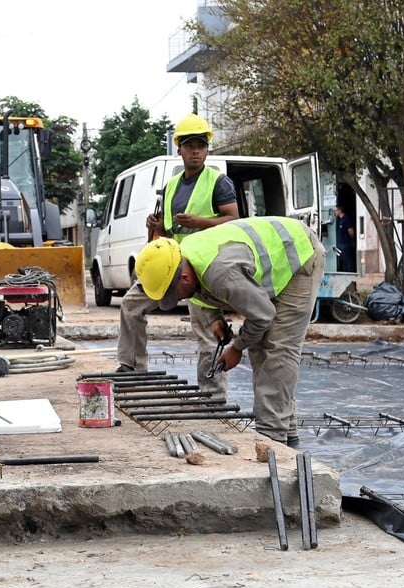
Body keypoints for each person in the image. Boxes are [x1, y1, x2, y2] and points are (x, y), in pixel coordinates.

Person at [134, 217, 326, 447]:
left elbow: (263, 315)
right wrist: (215, 318)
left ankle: (272, 438)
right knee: (259, 346)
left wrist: (236, 348)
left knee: (278, 350)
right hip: (275, 257)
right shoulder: (181, 258)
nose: (177, 300)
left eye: (174, 294)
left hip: (300, 254)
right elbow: (199, 290)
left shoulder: (221, 273)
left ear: (183, 277)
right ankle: (287, 432)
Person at [115, 114, 240, 400]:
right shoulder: (171, 186)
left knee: (208, 329)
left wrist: (200, 222)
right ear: (179, 149)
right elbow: (169, 230)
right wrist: (156, 227)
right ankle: (132, 366)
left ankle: (213, 396)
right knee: (131, 304)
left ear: (207, 149)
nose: (196, 151)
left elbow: (233, 220)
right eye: (190, 146)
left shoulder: (218, 182)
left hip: (203, 267)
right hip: (172, 262)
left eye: (201, 146)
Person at [332, 206, 356, 273]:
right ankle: (345, 272)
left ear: (340, 210)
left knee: (348, 260)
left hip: (346, 244)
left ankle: (350, 273)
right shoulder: (339, 220)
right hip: (340, 244)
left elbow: (351, 231)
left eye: (336, 210)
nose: (335, 212)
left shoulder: (346, 219)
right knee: (343, 261)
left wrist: (352, 240)